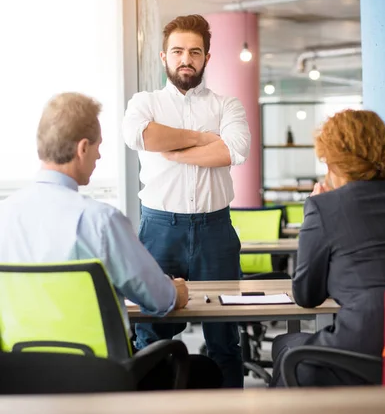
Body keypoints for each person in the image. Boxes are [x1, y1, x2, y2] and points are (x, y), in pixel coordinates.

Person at [0, 92, 222, 391]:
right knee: (206, 370)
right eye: (98, 146)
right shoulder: (100, 221)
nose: (100, 156)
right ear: (82, 148)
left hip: (18, 377)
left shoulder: (5, 216)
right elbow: (159, 300)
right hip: (99, 378)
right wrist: (177, 290)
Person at [123, 14, 251, 388]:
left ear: (207, 58)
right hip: (160, 229)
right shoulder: (144, 102)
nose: (186, 59)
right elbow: (142, 136)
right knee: (154, 334)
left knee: (225, 337)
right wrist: (204, 138)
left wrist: (176, 146)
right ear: (163, 57)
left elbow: (236, 150)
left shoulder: (228, 105)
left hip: (216, 229)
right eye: (177, 51)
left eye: (195, 52)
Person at [271, 108, 385, 387]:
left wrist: (313, 215)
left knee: (286, 345)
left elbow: (306, 295)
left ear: (333, 162)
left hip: (364, 348)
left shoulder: (324, 207)